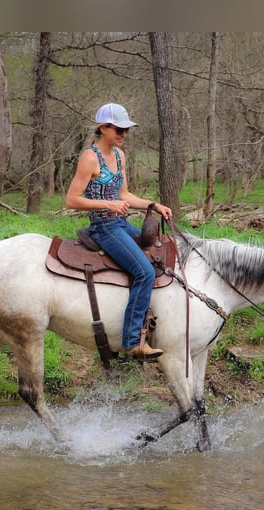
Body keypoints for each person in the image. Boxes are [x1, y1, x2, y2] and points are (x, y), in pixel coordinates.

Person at [65, 102, 173, 361]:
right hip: (103, 227)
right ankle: (133, 340)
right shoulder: (90, 158)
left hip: (121, 223)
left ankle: (159, 322)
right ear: (103, 128)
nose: (124, 134)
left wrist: (152, 204)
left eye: (127, 130)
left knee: (160, 250)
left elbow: (124, 194)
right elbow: (72, 200)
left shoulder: (120, 156)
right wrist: (107, 204)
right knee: (144, 271)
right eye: (119, 129)